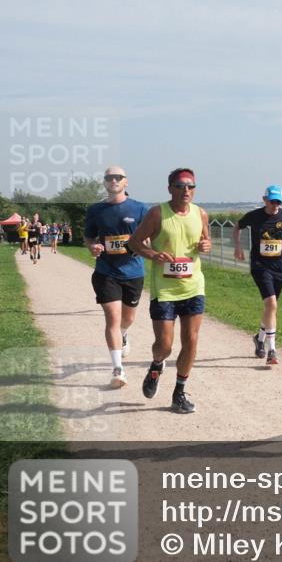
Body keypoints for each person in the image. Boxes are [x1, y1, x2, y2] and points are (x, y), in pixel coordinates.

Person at [128, 168, 211, 414]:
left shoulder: (201, 214)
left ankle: (179, 393)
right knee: (164, 345)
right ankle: (156, 366)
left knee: (191, 341)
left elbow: (206, 241)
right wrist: (154, 255)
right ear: (170, 188)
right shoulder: (157, 214)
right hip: (165, 291)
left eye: (190, 186)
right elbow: (134, 242)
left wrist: (207, 245)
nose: (186, 190)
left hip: (193, 286)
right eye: (180, 186)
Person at [84, 167, 150, 388]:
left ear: (126, 182)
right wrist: (92, 246)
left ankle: (123, 334)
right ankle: (118, 368)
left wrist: (144, 245)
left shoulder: (140, 209)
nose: (113, 180)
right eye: (109, 177)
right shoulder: (95, 210)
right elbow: (89, 237)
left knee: (128, 319)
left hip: (133, 272)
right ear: (104, 182)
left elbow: (150, 238)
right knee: (112, 317)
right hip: (106, 271)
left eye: (118, 177)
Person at [233, 185, 282, 367]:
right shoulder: (254, 216)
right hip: (259, 265)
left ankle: (259, 338)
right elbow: (237, 227)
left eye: (278, 202)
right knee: (271, 303)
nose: (275, 205)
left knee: (271, 307)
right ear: (265, 199)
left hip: (279, 266)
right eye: (272, 201)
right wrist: (238, 247)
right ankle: (272, 350)